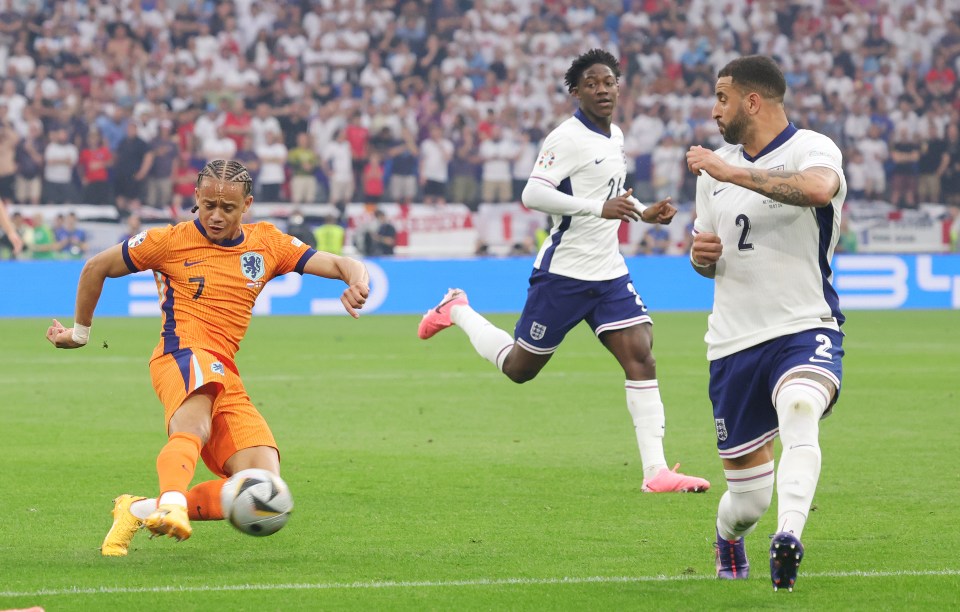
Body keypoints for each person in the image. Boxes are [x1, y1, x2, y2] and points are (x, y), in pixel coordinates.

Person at [418, 49, 709, 495]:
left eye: (609, 81)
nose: (603, 89)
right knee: (519, 368)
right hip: (564, 274)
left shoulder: (616, 136)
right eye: (592, 83)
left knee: (641, 356)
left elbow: (610, 194)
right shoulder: (565, 138)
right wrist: (598, 207)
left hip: (608, 270)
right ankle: (457, 309)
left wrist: (643, 212)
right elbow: (533, 194)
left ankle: (656, 472)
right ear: (576, 91)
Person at [45, 159, 370, 556]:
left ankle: (138, 509)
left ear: (246, 205)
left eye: (228, 209)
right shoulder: (167, 241)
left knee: (263, 487)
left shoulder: (267, 243)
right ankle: (173, 504)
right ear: (196, 198)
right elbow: (96, 266)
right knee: (193, 426)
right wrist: (80, 334)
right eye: (207, 205)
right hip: (180, 352)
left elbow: (338, 263)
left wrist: (358, 279)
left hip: (224, 372)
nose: (215, 216)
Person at [684, 55, 847, 592]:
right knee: (747, 499)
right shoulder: (714, 174)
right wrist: (700, 255)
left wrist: (731, 171)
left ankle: (790, 537)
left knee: (801, 406)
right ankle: (729, 534)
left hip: (804, 325)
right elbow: (705, 255)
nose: (714, 110)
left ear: (753, 101)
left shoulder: (813, 148)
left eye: (722, 98)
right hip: (733, 343)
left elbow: (819, 189)